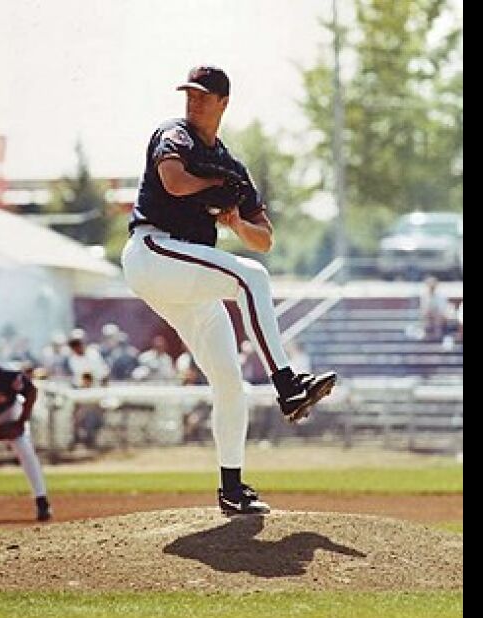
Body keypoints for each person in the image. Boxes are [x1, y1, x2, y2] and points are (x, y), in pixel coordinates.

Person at [120, 65, 336, 516]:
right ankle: (286, 383)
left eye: (202, 96)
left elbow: (265, 237)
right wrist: (216, 186)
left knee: (229, 382)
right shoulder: (174, 134)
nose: (193, 102)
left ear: (223, 103)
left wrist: (237, 222)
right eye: (189, 94)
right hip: (155, 251)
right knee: (251, 277)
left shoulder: (233, 164)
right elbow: (175, 181)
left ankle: (232, 490)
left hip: (186, 278)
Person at [0, 331, 52, 521]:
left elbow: (31, 391)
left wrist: (21, 422)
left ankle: (41, 501)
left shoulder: (4, 373)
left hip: (8, 413)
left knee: (25, 449)